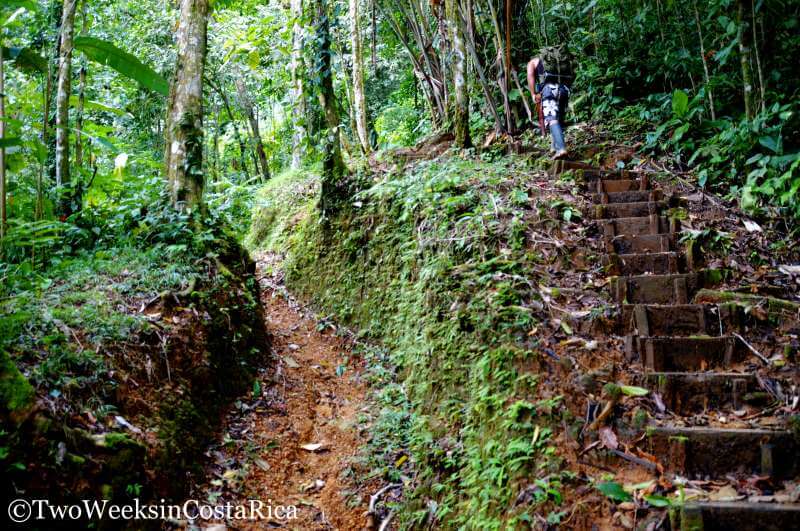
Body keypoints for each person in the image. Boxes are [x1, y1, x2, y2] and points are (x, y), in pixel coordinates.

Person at [527, 55, 571, 159]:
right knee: (558, 120)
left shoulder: (533, 62)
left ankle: (561, 149)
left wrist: (533, 94)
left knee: (552, 119)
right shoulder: (559, 61)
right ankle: (554, 147)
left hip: (549, 90)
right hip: (564, 89)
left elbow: (530, 75)